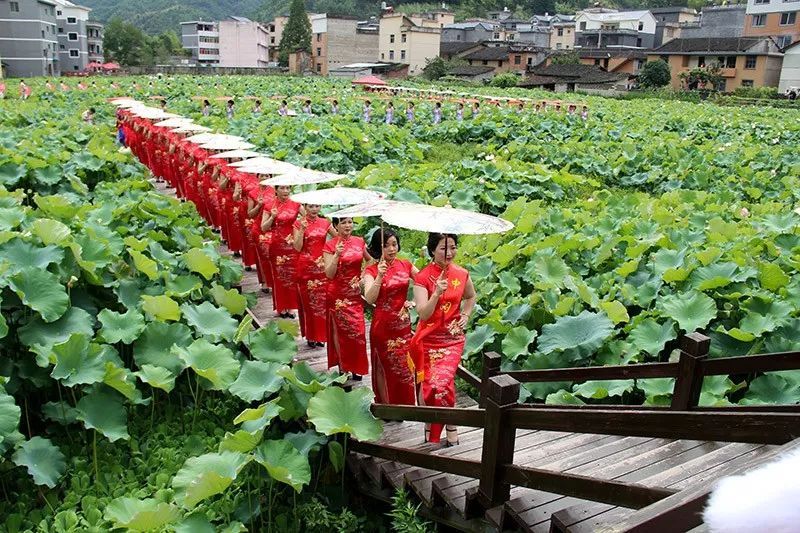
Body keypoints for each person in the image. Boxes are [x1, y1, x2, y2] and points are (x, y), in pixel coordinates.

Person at [410, 233, 476, 446]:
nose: (449, 253)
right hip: (428, 338)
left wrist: (465, 315)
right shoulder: (422, 277)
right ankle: (439, 425)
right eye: (443, 248)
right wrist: (436, 293)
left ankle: (447, 426)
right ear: (432, 250)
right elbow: (423, 314)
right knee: (432, 386)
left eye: (453, 247)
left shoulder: (462, 274)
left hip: (452, 337)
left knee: (442, 381)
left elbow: (470, 296)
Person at [363, 228, 417, 405]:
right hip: (383, 326)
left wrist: (415, 300)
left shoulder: (406, 265)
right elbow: (370, 297)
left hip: (403, 325)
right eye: (386, 246)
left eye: (394, 244)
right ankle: (386, 406)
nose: (391, 249)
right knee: (385, 366)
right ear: (379, 249)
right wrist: (379, 275)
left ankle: (405, 405)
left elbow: (425, 281)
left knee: (403, 366)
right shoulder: (371, 270)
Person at [323, 217, 372, 378]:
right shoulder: (330, 245)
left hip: (354, 294)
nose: (347, 225)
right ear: (336, 226)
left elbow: (370, 260)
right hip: (337, 295)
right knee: (341, 332)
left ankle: (357, 367)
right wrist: (337, 254)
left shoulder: (359, 241)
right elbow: (329, 274)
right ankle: (343, 367)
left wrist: (364, 276)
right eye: (343, 222)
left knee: (358, 331)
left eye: (350, 222)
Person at [294, 204, 336, 348]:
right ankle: (310, 336)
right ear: (305, 207)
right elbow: (297, 247)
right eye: (311, 206)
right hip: (305, 268)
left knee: (322, 304)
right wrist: (301, 230)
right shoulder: (298, 223)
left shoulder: (325, 223)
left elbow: (337, 238)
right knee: (309, 304)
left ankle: (321, 336)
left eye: (317, 206)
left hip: (322, 268)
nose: (314, 209)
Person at [262, 185, 301, 318]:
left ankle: (291, 308)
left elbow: (308, 219)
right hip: (277, 245)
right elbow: (263, 227)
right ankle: (281, 307)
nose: (286, 191)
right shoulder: (269, 205)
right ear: (276, 190)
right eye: (282, 188)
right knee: (279, 276)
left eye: (288, 188)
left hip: (292, 245)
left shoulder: (296, 204)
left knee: (291, 276)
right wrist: (272, 217)